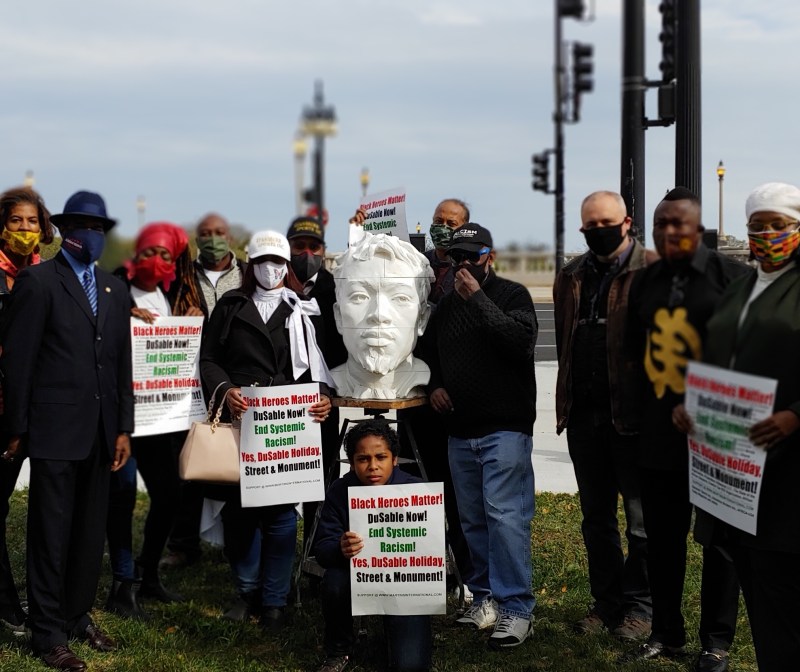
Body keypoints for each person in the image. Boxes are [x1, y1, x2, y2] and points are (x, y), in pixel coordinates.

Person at [0, 190, 133, 671]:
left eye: (98, 229)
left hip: (101, 433)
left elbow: (120, 365)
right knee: (50, 535)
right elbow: (19, 362)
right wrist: (17, 428)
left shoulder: (114, 289)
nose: (90, 236)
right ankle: (48, 632)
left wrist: (123, 429)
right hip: (54, 430)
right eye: (82, 227)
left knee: (88, 533)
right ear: (64, 231)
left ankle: (77, 615)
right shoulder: (37, 282)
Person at [674, 182, 800, 672]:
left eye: (778, 225)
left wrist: (794, 415)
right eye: (757, 226)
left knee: (786, 595)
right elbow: (718, 360)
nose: (767, 235)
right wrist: (694, 405)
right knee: (760, 593)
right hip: (736, 471)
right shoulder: (741, 288)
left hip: (788, 473)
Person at [625, 187, 747, 671]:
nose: (669, 230)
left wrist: (710, 404)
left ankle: (716, 642)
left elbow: (747, 354)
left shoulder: (732, 278)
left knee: (720, 542)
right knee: (662, 539)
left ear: (698, 228)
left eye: (678, 222)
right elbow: (636, 353)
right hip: (659, 434)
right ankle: (666, 632)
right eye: (660, 223)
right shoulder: (646, 282)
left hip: (717, 434)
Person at [200, 229, 334, 630]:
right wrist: (226, 390)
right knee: (240, 512)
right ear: (251, 264)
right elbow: (209, 359)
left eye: (278, 262)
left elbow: (321, 363)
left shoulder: (302, 308)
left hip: (287, 427)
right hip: (241, 421)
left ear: (287, 265)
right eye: (262, 262)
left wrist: (324, 396)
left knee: (280, 515)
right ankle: (246, 591)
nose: (271, 269)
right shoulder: (230, 305)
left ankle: (275, 598)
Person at [426, 222, 537, 648]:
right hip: (460, 429)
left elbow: (519, 342)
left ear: (489, 256)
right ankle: (485, 596)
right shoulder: (445, 307)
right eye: (456, 257)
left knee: (505, 517)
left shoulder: (512, 294)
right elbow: (429, 354)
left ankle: (517, 608)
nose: (463, 264)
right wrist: (435, 384)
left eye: (472, 256)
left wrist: (478, 299)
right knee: (472, 519)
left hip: (504, 427)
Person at [553, 190, 654, 639]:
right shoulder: (571, 275)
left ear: (627, 223)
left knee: (641, 523)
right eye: (590, 225)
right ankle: (606, 603)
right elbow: (566, 341)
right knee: (596, 519)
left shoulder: (650, 271)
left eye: (606, 223)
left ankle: (641, 607)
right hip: (585, 416)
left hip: (633, 419)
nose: (598, 231)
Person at [104, 222, 204, 619]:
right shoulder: (114, 288)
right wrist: (122, 316)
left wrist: (193, 321)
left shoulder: (173, 294)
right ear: (137, 254)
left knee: (168, 496)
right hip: (123, 419)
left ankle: (148, 572)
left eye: (165, 255)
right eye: (149, 252)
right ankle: (122, 582)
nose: (156, 260)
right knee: (123, 497)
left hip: (161, 420)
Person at [161, 212, 246, 571]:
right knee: (189, 463)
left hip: (233, 382)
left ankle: (235, 542)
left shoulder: (247, 275)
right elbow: (159, 322)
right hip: (188, 385)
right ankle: (183, 544)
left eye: (219, 232)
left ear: (231, 237)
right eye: (206, 234)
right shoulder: (181, 278)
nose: (213, 239)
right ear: (196, 240)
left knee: (234, 462)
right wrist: (180, 322)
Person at [313, 418, 433, 672]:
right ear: (352, 462)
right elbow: (322, 549)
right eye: (363, 459)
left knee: (410, 666)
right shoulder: (339, 491)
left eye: (381, 457)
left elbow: (433, 545)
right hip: (355, 575)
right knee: (335, 581)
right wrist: (339, 548)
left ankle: (398, 634)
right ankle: (338, 650)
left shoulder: (416, 491)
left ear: (395, 459)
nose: (373, 466)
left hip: (406, 582)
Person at [0, 186, 54, 635]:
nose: (24, 228)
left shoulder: (48, 275)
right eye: (16, 220)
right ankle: (5, 603)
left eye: (32, 221)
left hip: (43, 408)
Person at [285, 215, 348, 565]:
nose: (307, 254)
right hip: (280, 403)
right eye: (299, 247)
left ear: (323, 250)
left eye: (314, 247)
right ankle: (278, 560)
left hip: (322, 404)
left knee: (321, 482)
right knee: (278, 481)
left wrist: (330, 392)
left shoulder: (335, 289)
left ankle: (315, 556)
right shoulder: (274, 284)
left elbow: (343, 346)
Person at [330, 232, 433, 400]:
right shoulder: (329, 381)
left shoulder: (430, 381)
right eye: (359, 296)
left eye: (400, 298)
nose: (379, 314)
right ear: (339, 316)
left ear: (422, 319)